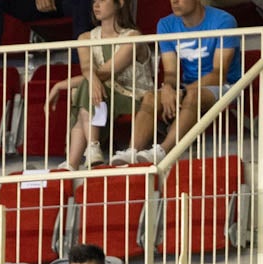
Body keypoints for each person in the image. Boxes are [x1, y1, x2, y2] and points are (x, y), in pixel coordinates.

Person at [121, 0, 241, 163]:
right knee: (151, 97)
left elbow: (218, 74)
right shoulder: (165, 24)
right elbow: (171, 72)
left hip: (227, 85)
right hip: (188, 86)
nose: (174, 2)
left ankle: (163, 151)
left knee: (193, 94)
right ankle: (131, 153)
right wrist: (168, 89)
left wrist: (181, 92)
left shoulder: (224, 21)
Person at [47, 0, 147, 170]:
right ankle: (87, 153)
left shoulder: (133, 37)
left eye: (102, 0)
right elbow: (87, 68)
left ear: (120, 3)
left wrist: (62, 85)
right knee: (88, 87)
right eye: (94, 1)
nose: (96, 5)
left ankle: (76, 159)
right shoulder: (85, 37)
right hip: (102, 98)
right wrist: (77, 81)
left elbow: (106, 72)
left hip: (132, 96)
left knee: (86, 87)